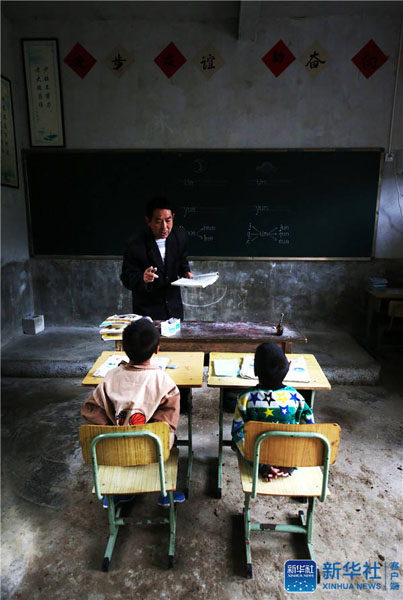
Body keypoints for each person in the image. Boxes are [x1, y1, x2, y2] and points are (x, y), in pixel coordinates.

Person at [81, 317, 185, 507]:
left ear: (122, 348)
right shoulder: (165, 383)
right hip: (152, 450)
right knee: (171, 438)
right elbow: (168, 425)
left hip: (114, 448)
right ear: (156, 350)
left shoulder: (110, 378)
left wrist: (115, 429)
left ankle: (121, 493)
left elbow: (90, 411)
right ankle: (164, 491)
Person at [231, 342, 314, 482]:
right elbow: (310, 431)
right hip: (288, 458)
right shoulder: (297, 398)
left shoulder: (245, 399)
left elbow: (237, 434)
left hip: (258, 456)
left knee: (237, 439)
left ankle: (264, 467)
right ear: (288, 367)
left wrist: (261, 465)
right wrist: (291, 463)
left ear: (255, 371)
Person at [120, 196, 193, 320]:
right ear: (148, 221)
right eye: (159, 222)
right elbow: (126, 277)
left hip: (174, 310)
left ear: (173, 218)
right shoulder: (135, 244)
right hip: (147, 312)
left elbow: (182, 261)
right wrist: (142, 278)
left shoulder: (180, 236)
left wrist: (186, 272)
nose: (164, 227)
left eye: (168, 220)